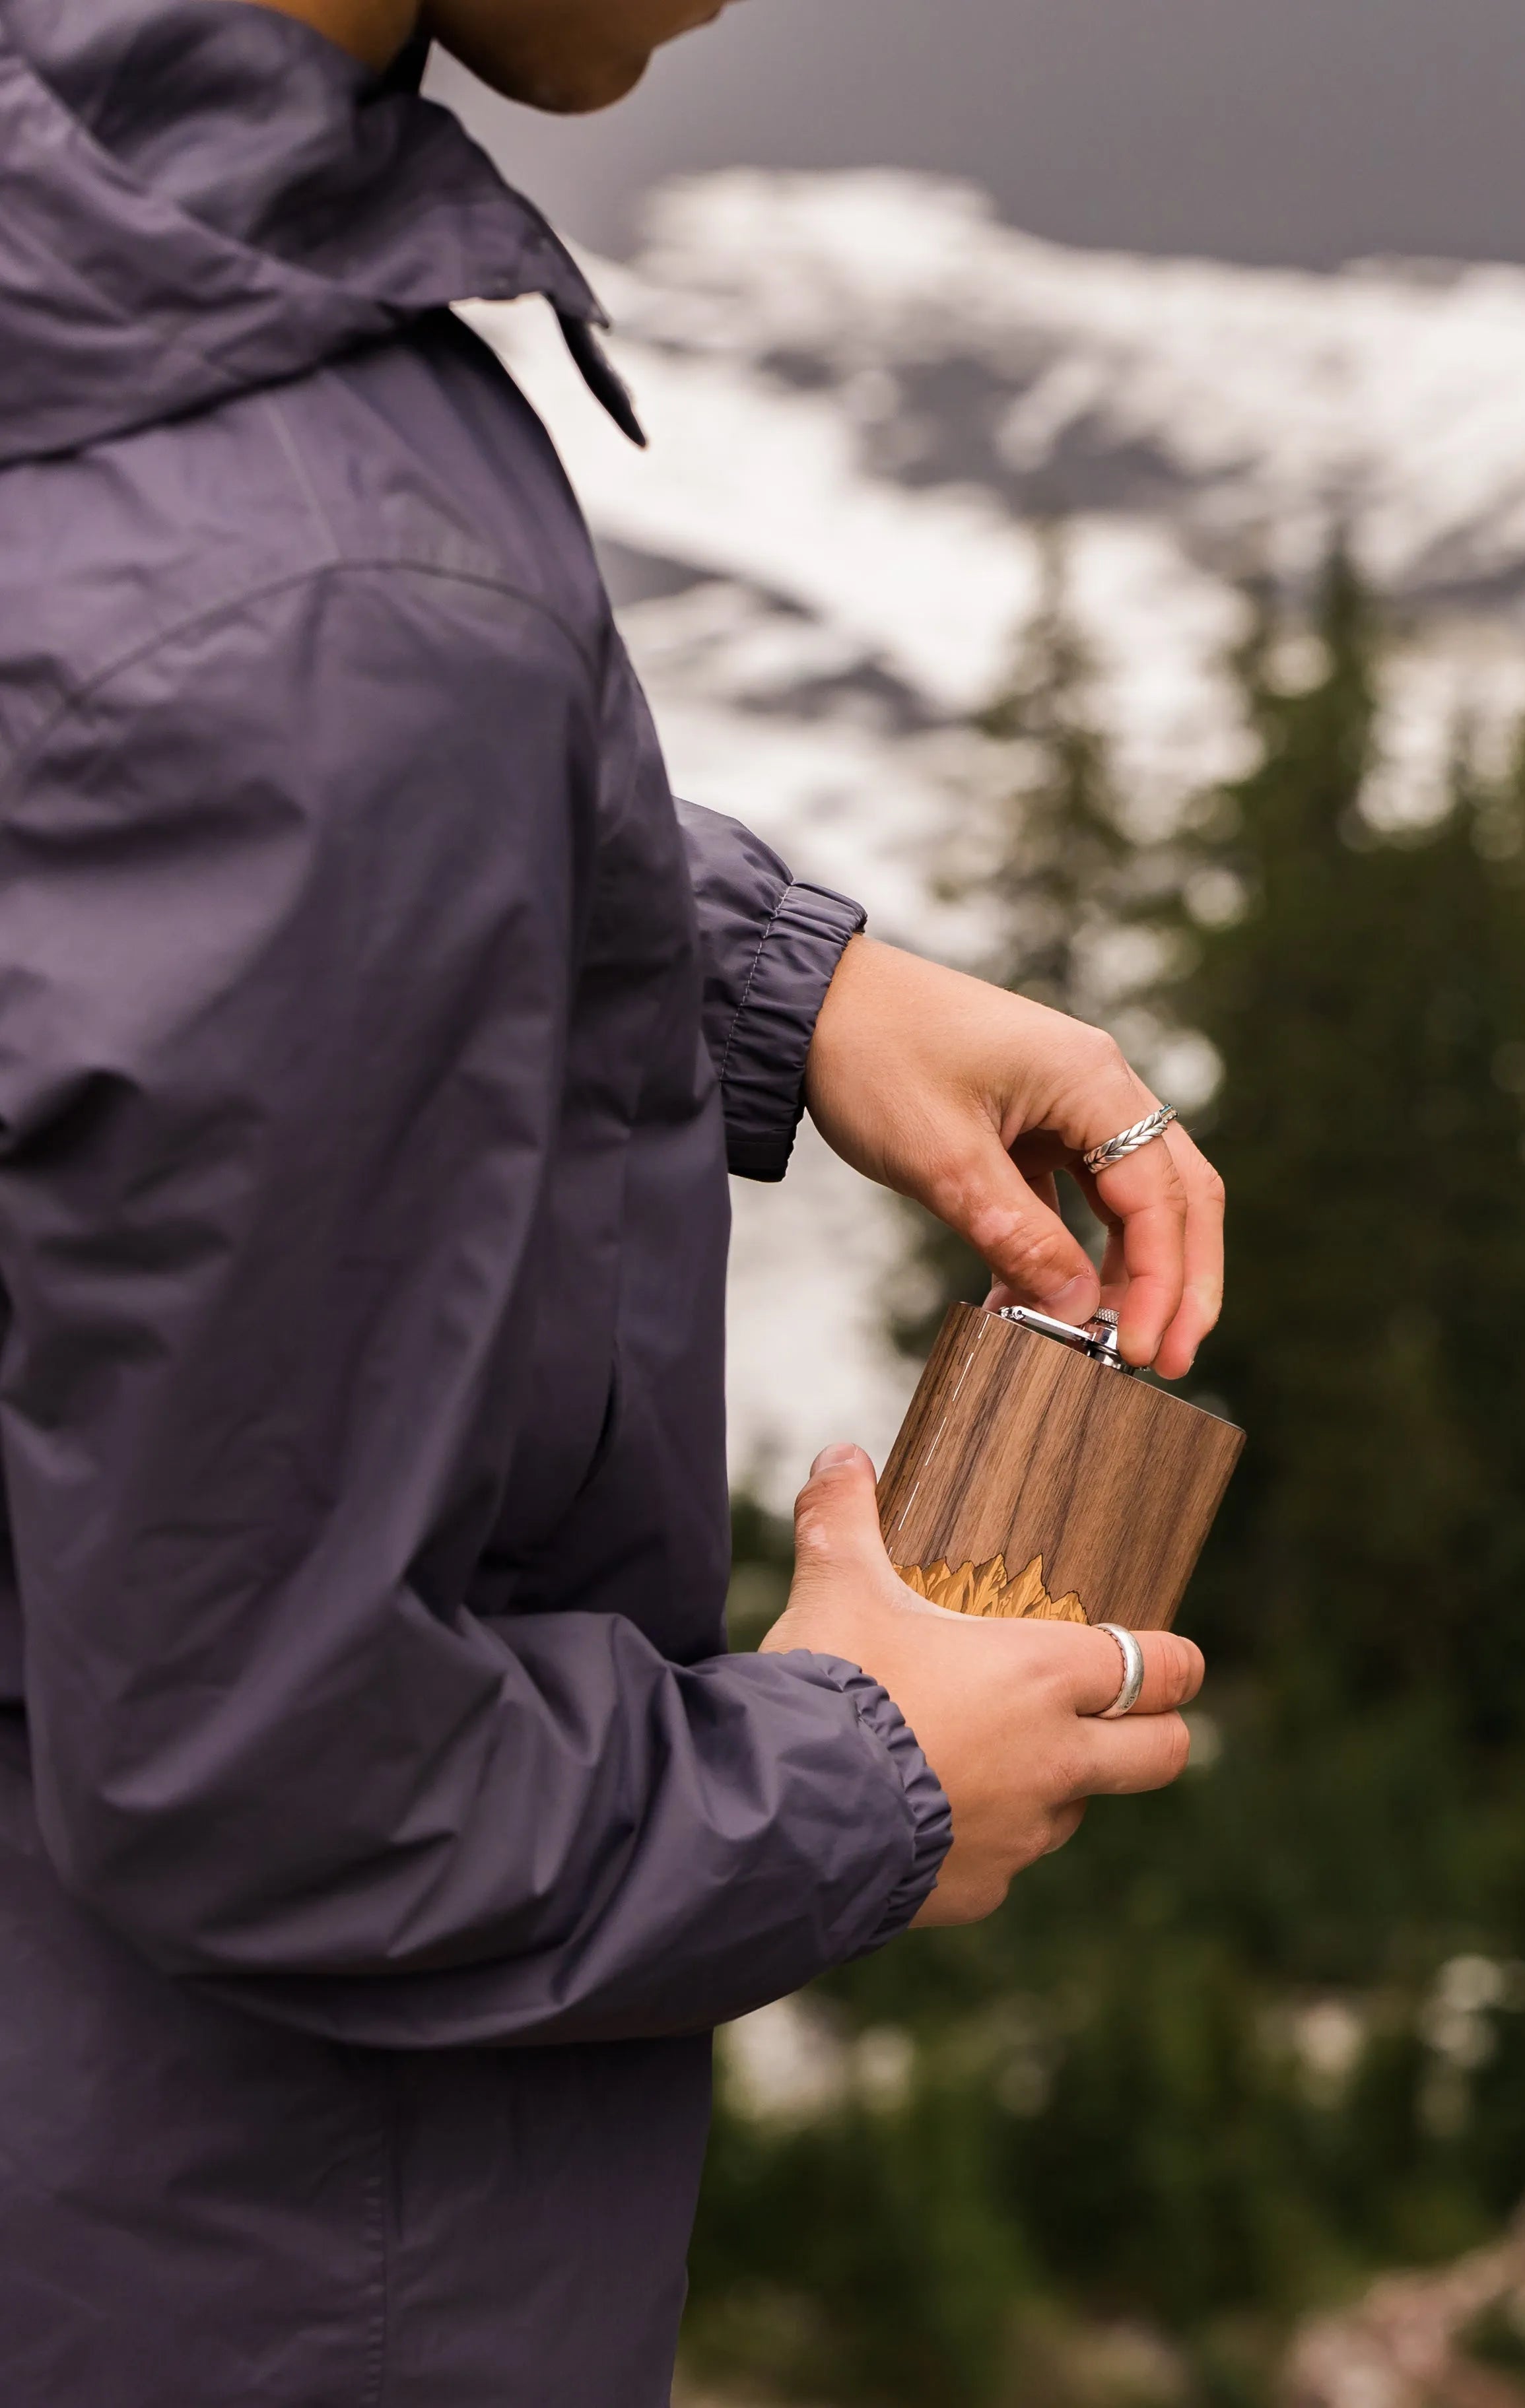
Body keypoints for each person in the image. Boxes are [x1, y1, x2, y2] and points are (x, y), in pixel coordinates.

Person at [0, 2, 1224, 2401]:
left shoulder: (105, 269)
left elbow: (109, 746)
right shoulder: (321, 602)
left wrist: (765, 976)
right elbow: (261, 1771)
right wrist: (866, 1777)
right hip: (240, 2274)